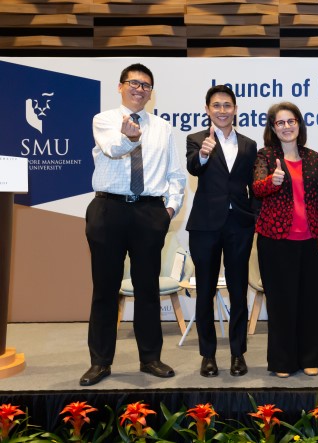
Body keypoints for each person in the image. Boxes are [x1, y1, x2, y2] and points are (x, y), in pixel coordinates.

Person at [81, 63, 186, 386]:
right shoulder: (105, 120)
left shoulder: (164, 128)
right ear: (120, 86)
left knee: (147, 290)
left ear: (151, 93)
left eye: (146, 85)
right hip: (108, 210)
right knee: (104, 289)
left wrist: (168, 209)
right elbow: (113, 149)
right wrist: (130, 139)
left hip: (148, 213)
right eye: (134, 83)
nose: (140, 89)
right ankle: (100, 362)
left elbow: (175, 175)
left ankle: (150, 358)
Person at [254, 102, 318, 377]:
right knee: (281, 302)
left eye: (291, 121)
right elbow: (255, 188)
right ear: (273, 128)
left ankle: (311, 357)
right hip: (275, 240)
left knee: (311, 300)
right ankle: (283, 362)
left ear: (299, 125)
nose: (286, 127)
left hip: (311, 239)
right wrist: (272, 182)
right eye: (280, 123)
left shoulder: (312, 157)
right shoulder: (265, 156)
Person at [185, 85, 257, 378]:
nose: (222, 110)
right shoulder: (196, 139)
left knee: (239, 291)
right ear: (207, 109)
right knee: (205, 292)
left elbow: (256, 185)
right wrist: (203, 155)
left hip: (239, 224)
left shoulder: (249, 144)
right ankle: (208, 355)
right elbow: (192, 168)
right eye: (217, 105)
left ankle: (238, 353)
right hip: (205, 226)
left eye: (228, 105)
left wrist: (257, 216)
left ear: (235, 109)